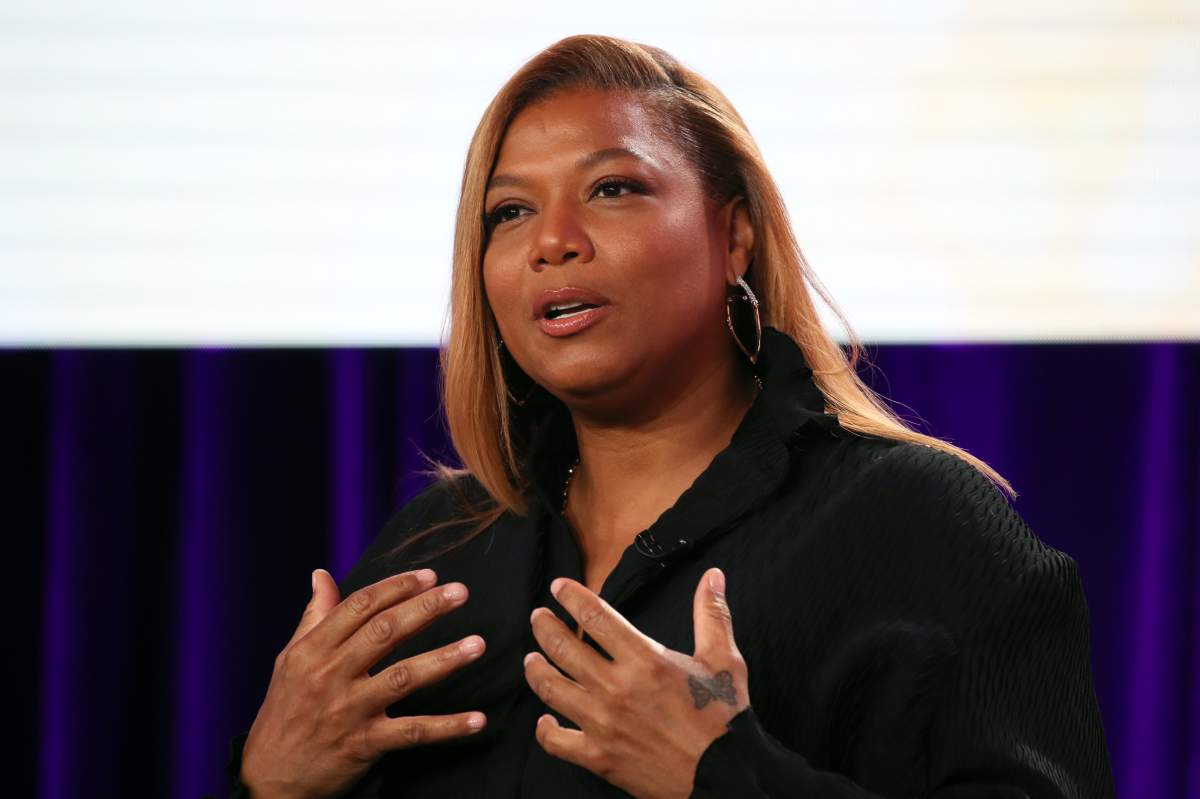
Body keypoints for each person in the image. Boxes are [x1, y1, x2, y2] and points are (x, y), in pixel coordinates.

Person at [222, 34, 1116, 799]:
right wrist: (270, 780)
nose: (553, 239)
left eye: (612, 188)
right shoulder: (435, 557)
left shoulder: (921, 523)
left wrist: (723, 774)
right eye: (509, 211)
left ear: (733, 237)